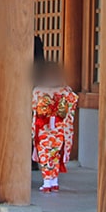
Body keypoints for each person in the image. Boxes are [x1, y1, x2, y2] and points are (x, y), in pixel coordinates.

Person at [32, 61, 78, 193]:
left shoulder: (38, 91)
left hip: (44, 128)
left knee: (45, 154)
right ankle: (54, 181)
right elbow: (72, 103)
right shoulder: (66, 91)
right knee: (56, 154)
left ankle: (47, 181)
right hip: (59, 128)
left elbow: (34, 106)